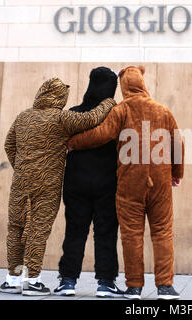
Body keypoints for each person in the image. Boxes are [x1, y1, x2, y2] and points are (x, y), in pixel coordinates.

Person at [68, 66, 184, 300]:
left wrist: (73, 142)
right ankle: (165, 286)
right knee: (162, 232)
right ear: (142, 83)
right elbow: (178, 144)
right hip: (160, 182)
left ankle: (134, 287)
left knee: (132, 234)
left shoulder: (122, 110)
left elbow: (100, 134)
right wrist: (176, 173)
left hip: (130, 183)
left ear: (123, 87)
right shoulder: (163, 110)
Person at [0, 77, 116, 296]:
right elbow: (92, 118)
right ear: (60, 97)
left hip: (21, 181)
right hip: (47, 183)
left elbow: (9, 145)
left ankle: (13, 278)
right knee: (38, 228)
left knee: (16, 228)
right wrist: (108, 102)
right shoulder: (61, 118)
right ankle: (32, 280)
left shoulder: (23, 117)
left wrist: (22, 167)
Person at [54, 67, 124, 298]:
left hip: (76, 182)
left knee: (75, 231)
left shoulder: (74, 113)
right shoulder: (117, 115)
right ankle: (105, 283)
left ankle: (67, 281)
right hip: (108, 182)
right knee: (105, 232)